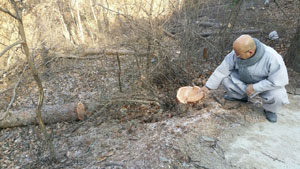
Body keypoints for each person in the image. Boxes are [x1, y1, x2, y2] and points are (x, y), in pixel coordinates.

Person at [201, 34, 289, 123]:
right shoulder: (237, 52)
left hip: (265, 85)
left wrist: (255, 87)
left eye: (238, 54)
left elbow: (278, 81)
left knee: (278, 96)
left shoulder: (272, 57)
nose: (235, 55)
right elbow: (222, 70)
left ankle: (270, 110)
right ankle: (240, 97)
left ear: (250, 52)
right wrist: (207, 86)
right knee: (226, 80)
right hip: (243, 81)